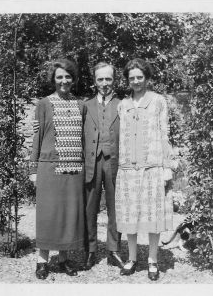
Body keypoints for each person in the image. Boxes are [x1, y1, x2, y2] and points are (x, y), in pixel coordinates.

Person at [115, 58, 176, 280]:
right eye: (132, 78)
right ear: (127, 80)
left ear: (146, 78)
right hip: (128, 168)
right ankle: (132, 258)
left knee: (152, 215)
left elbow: (164, 132)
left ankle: (152, 260)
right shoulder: (123, 104)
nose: (136, 81)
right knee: (130, 215)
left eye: (139, 77)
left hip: (153, 167)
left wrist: (167, 166)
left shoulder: (158, 101)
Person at [29, 59, 86, 280]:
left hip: (74, 169)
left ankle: (64, 260)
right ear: (54, 80)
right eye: (60, 77)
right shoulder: (44, 104)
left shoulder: (80, 104)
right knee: (48, 215)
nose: (64, 80)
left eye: (68, 76)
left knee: (68, 215)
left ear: (74, 79)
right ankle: (42, 261)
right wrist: (33, 169)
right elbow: (37, 137)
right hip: (49, 167)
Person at [83, 62, 123, 270]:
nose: (104, 83)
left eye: (108, 79)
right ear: (94, 81)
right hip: (92, 161)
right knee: (90, 207)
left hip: (115, 162)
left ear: (114, 80)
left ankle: (113, 251)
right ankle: (90, 251)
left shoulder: (123, 105)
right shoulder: (85, 105)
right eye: (100, 79)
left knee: (116, 207)